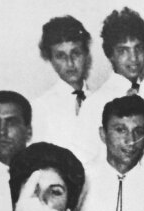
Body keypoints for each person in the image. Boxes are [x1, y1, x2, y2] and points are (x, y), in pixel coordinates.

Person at [31, 16, 100, 162]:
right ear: (50, 59)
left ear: (86, 54)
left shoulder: (102, 101)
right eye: (60, 56)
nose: (70, 63)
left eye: (76, 53)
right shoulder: (40, 107)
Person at [83, 8, 144, 122]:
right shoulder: (94, 105)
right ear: (110, 54)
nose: (133, 57)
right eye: (123, 50)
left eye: (138, 48)